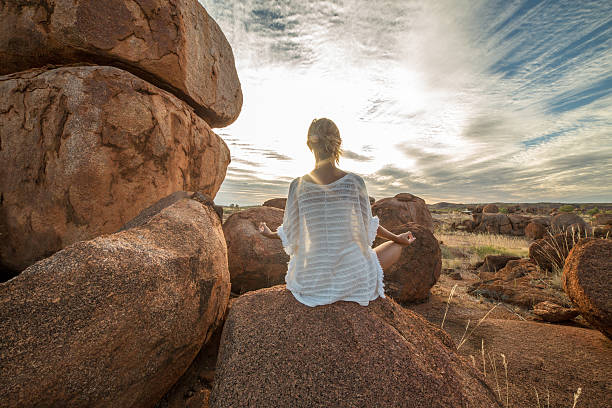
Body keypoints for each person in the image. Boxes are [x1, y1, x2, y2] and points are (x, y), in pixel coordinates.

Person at [259, 118, 415, 307]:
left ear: (309, 144)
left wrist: (270, 234)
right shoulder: (355, 182)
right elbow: (368, 229)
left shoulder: (297, 186)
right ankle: (396, 245)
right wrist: (398, 239)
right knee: (393, 247)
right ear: (338, 143)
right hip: (350, 279)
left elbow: (291, 232)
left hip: (308, 281)